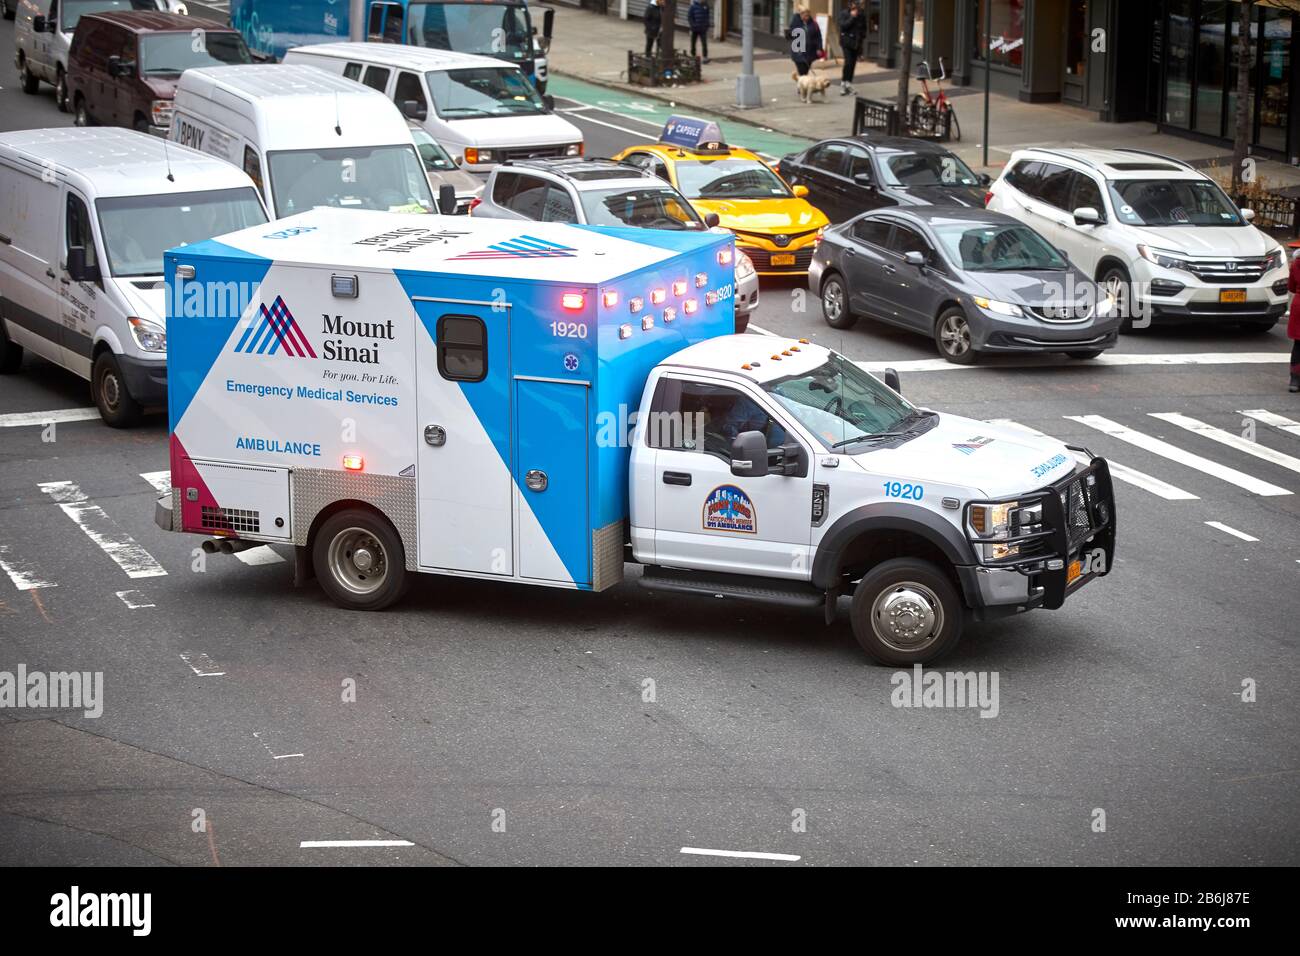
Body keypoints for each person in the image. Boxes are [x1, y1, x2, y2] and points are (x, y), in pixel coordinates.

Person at [787, 4, 823, 77]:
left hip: (810, 52)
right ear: (801, 14)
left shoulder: (813, 23)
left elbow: (818, 36)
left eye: (808, 15)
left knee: (805, 71)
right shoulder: (795, 22)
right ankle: (802, 86)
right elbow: (790, 34)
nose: (807, 17)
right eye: (805, 15)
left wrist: (819, 48)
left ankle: (803, 86)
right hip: (799, 52)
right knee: (802, 71)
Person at [838, 1, 865, 95]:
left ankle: (848, 83)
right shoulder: (844, 13)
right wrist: (852, 17)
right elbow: (843, 26)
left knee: (852, 64)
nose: (857, 7)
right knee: (848, 62)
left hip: (856, 43)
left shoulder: (861, 15)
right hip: (846, 42)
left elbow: (863, 29)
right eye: (855, 5)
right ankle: (843, 83)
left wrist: (861, 45)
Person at [1289, 246, 1300, 392]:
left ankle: (1295, 380)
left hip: (1299, 305)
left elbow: (1291, 286)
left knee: (1298, 344)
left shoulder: (1296, 263)